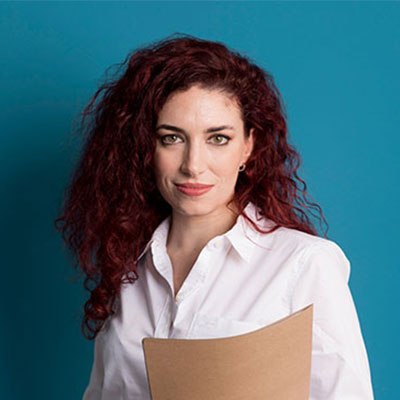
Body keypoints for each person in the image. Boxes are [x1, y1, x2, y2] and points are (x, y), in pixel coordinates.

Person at [55, 33, 374, 399]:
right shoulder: (128, 266)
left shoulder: (304, 264)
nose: (193, 165)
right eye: (172, 138)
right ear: (146, 148)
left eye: (218, 138)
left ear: (248, 146)